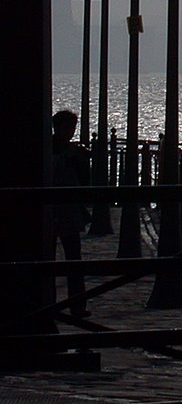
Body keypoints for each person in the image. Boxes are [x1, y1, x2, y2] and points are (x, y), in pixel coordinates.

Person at [51, 109, 91, 317]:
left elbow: (85, 180)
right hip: (53, 208)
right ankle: (52, 303)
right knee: (55, 259)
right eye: (68, 128)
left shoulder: (73, 151)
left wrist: (80, 160)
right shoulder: (52, 150)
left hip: (67, 210)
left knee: (73, 257)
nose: (71, 132)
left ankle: (77, 304)